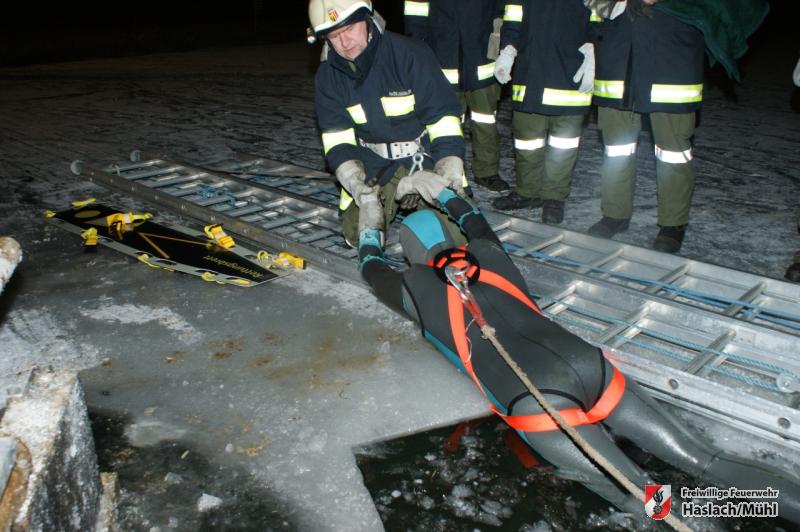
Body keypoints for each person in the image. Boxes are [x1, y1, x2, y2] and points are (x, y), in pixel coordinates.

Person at [355, 170, 800, 521]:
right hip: (591, 368)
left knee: (646, 497)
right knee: (705, 459)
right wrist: (444, 194)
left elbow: (371, 265)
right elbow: (474, 220)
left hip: (539, 403)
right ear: (451, 240)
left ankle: (690, 520)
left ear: (411, 254)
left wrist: (371, 220)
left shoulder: (413, 288)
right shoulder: (489, 253)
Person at [309, 0, 469, 248]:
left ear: (367, 19)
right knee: (357, 236)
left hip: (425, 158)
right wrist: (357, 186)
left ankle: (428, 209)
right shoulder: (328, 77)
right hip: (375, 167)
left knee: (458, 236)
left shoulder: (410, 54)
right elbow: (337, 140)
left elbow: (443, 119)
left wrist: (446, 175)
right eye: (334, 35)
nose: (344, 42)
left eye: (350, 29)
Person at [587, 0, 703, 252]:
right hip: (617, 60)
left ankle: (673, 224)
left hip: (671, 58)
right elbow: (593, 5)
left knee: (673, 153)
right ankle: (615, 214)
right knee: (617, 147)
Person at [490, 1, 597, 225]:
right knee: (527, 141)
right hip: (530, 74)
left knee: (563, 144)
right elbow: (513, 20)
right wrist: (508, 49)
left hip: (571, 73)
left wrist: (596, 49)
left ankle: (554, 198)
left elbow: (601, 19)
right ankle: (528, 192)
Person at [404, 0, 509, 192]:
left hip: (482, 58)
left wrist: (504, 47)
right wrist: (416, 50)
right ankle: (447, 172)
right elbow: (415, 14)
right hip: (442, 57)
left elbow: (502, 9)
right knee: (445, 123)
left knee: (485, 119)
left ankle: (487, 172)